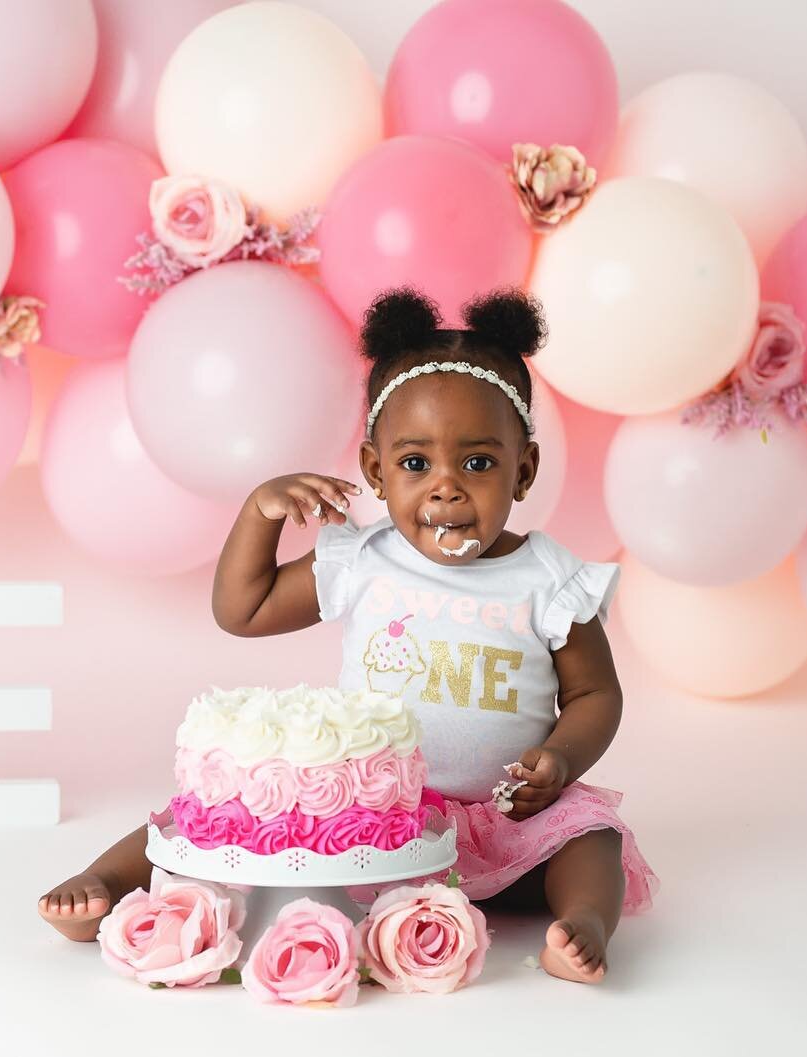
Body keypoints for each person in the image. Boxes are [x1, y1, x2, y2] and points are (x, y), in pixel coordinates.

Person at [38, 286, 659, 984]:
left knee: (592, 838)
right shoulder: (364, 561)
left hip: (506, 818)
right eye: (416, 463)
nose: (446, 488)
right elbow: (245, 608)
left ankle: (580, 924)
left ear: (524, 469)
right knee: (216, 819)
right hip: (369, 820)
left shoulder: (547, 576)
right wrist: (260, 513)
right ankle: (109, 879)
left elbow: (595, 693)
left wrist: (559, 758)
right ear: (375, 471)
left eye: (478, 463)